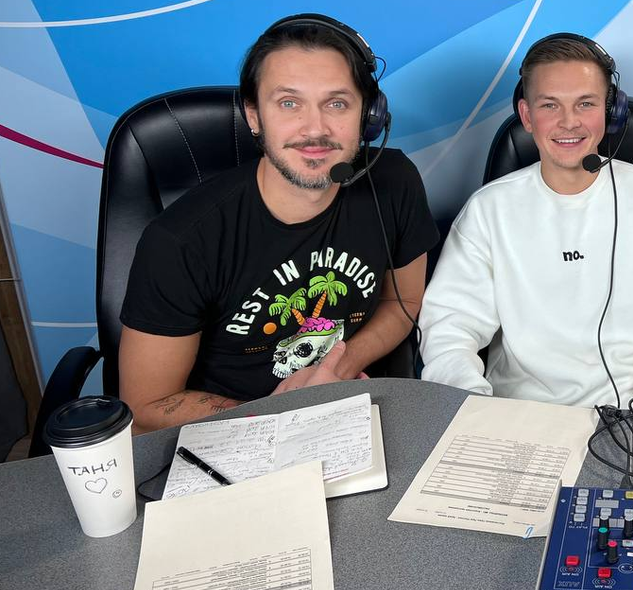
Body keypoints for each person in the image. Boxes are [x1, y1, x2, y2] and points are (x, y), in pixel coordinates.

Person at [119, 14, 439, 432]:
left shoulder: (394, 182)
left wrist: (338, 368)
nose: (315, 129)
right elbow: (147, 405)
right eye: (289, 103)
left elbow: (404, 302)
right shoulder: (181, 240)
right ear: (254, 115)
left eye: (337, 103)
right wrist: (277, 413)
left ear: (368, 116)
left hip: (347, 410)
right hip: (228, 431)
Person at [419, 34, 633, 410]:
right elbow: (449, 328)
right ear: (527, 116)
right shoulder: (488, 210)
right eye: (550, 105)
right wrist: (476, 410)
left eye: (585, 104)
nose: (569, 122)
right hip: (517, 416)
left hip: (632, 417)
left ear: (611, 112)